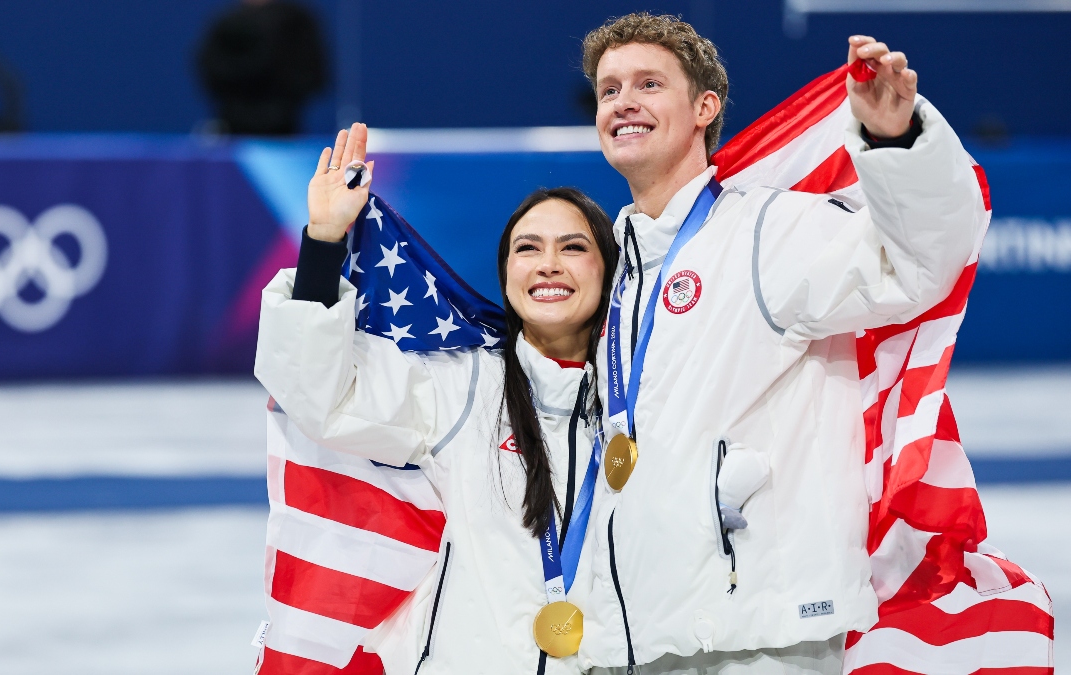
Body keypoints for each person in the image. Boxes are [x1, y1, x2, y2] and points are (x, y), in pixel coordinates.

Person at [575, 13, 985, 675]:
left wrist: (896, 140)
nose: (623, 101)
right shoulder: (612, 270)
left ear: (705, 107)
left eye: (649, 84)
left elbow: (917, 264)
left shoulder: (767, 230)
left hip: (753, 639)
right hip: (638, 638)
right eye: (609, 89)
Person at [254, 123, 619, 674]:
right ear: (506, 275)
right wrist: (325, 241)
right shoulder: (463, 384)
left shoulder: (637, 397)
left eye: (573, 247)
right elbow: (320, 392)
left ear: (608, 271)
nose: (549, 263)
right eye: (528, 248)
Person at [196, 0, 327, 135]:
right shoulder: (227, 22)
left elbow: (313, 72)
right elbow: (212, 68)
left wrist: (280, 106)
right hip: (233, 128)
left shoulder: (296, 21)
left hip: (285, 130)